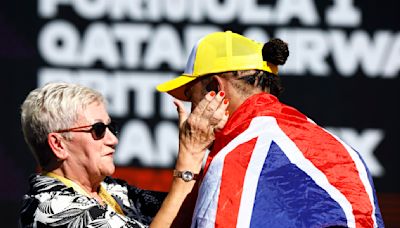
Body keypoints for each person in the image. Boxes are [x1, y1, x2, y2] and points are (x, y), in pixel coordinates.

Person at [157, 31, 384, 227]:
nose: (191, 108)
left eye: (190, 95)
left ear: (216, 89)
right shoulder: (345, 152)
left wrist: (189, 158)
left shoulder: (234, 162)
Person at [19, 82, 229, 227]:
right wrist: (190, 155)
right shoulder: (48, 208)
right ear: (58, 144)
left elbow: (188, 209)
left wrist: (215, 141)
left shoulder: (111, 190)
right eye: (98, 130)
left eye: (112, 128)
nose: (113, 140)